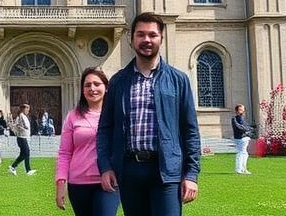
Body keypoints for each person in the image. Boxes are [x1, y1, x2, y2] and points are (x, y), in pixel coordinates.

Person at [97, 12, 200, 215]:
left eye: (152, 35)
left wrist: (191, 174)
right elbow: (105, 129)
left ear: (161, 38)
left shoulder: (178, 80)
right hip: (129, 171)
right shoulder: (118, 82)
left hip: (166, 171)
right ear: (132, 38)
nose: (146, 40)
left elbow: (190, 131)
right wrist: (106, 166)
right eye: (140, 34)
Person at [56, 67, 120, 216]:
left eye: (97, 84)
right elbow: (65, 152)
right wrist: (61, 182)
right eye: (87, 85)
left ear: (106, 87)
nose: (92, 88)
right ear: (82, 89)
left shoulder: (116, 114)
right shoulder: (73, 116)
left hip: (108, 180)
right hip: (78, 183)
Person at [8, 103, 35, 175]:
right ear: (23, 109)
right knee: (27, 153)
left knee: (23, 154)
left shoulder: (23, 116)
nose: (28, 111)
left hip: (24, 137)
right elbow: (15, 126)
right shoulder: (20, 117)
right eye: (27, 109)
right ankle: (28, 170)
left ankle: (13, 167)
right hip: (22, 138)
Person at [232, 104, 253, 175]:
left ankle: (243, 169)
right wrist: (246, 129)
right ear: (237, 111)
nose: (243, 111)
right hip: (239, 138)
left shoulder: (243, 118)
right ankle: (239, 169)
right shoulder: (235, 118)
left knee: (245, 153)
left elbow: (246, 126)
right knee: (241, 153)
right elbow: (238, 127)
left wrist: (248, 129)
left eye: (243, 109)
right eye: (241, 109)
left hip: (244, 138)